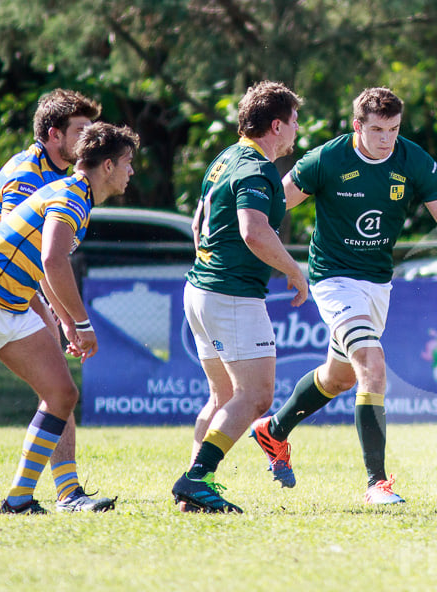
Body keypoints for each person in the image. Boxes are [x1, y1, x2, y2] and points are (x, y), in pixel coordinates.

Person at [249, 87, 437, 504]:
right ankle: (377, 484)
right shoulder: (327, 159)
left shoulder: (413, 160)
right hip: (333, 280)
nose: (386, 138)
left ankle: (273, 429)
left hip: (377, 283)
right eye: (376, 129)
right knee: (372, 365)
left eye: (393, 129)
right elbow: (272, 205)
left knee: (339, 378)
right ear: (358, 126)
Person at [0, 122, 139, 514]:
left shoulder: (78, 196)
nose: (132, 172)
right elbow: (52, 260)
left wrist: (65, 320)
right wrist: (81, 324)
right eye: (128, 163)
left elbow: (43, 268)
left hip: (11, 306)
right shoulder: (71, 196)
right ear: (108, 166)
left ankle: (19, 499)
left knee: (62, 395)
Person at [169, 81, 308, 513]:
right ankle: (197, 479)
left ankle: (195, 490)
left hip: (202, 288)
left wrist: (211, 264)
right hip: (230, 295)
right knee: (256, 396)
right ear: (277, 124)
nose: (298, 131)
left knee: (223, 395)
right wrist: (293, 270)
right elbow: (253, 230)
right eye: (295, 121)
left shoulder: (225, 157)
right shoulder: (256, 167)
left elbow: (197, 223)